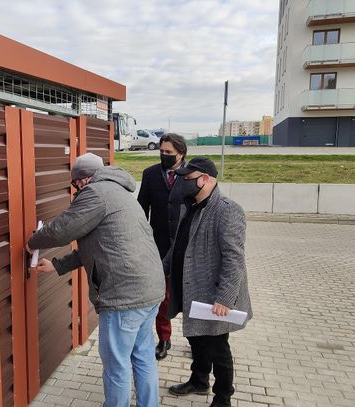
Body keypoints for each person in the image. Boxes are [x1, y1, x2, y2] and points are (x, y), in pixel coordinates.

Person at [26, 152, 165, 407]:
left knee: (116, 365)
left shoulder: (95, 194)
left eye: (75, 184)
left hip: (124, 296)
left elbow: (63, 229)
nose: (75, 189)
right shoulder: (119, 192)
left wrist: (32, 241)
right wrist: (57, 265)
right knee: (143, 356)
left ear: (84, 179)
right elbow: (100, 246)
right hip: (149, 289)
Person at [164, 156, 253, 407]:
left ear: (205, 179)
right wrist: (163, 270)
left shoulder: (227, 210)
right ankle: (199, 380)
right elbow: (178, 246)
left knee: (217, 346)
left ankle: (223, 396)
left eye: (187, 178)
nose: (182, 182)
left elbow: (234, 259)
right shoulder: (189, 206)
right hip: (191, 288)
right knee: (196, 338)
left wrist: (224, 298)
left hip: (213, 295)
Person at [137, 133, 187, 360]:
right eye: (162, 151)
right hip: (157, 246)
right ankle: (164, 339)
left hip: (186, 246)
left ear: (181, 154)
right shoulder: (150, 174)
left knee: (190, 296)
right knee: (162, 296)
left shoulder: (192, 175)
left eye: (169, 153)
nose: (164, 155)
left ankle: (196, 342)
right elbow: (141, 209)